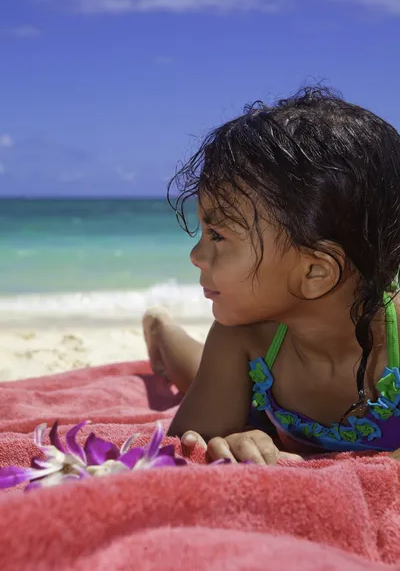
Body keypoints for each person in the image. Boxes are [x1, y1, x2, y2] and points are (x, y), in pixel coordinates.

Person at [143, 86, 400, 464]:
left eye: (218, 235)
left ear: (315, 270)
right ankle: (162, 328)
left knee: (208, 375)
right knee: (199, 375)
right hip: (250, 373)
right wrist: (231, 442)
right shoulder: (243, 335)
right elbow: (188, 448)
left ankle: (161, 327)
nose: (196, 256)